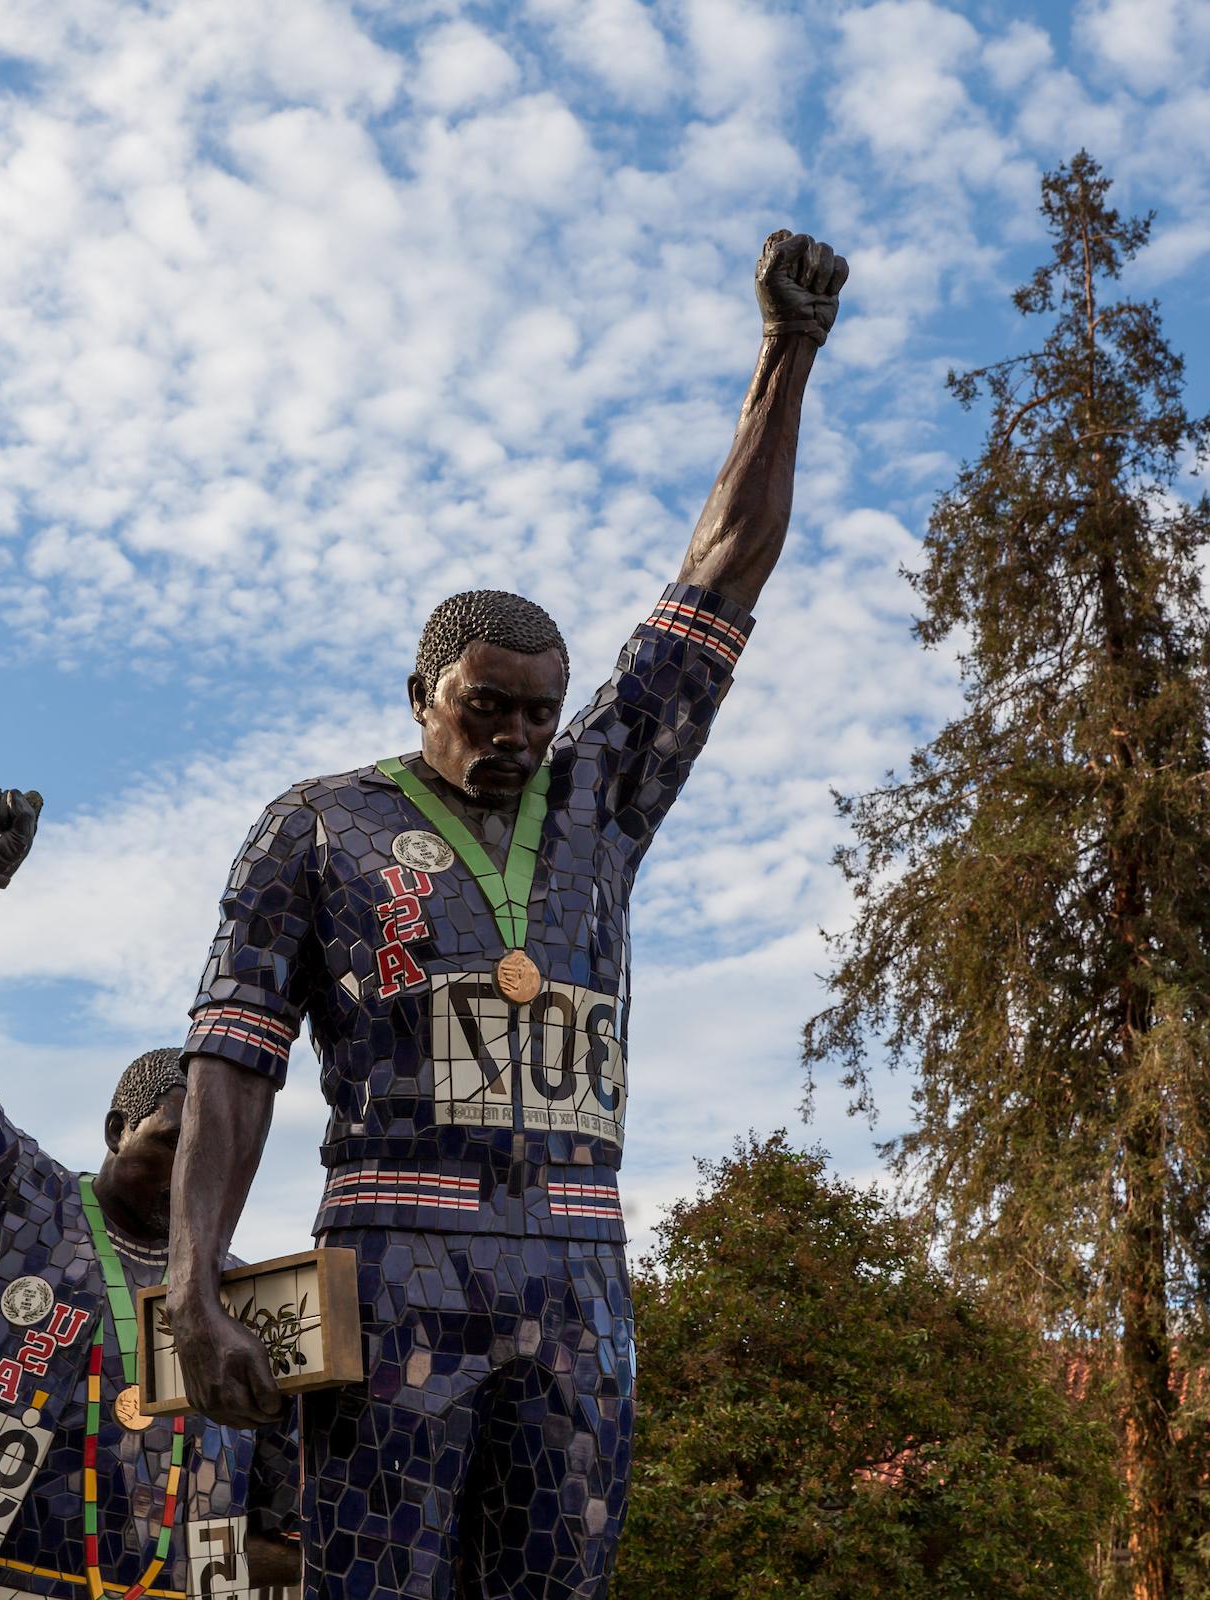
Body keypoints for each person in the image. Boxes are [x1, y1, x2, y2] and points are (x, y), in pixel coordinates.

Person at [166, 230, 848, 1599]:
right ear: (426, 693)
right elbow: (232, 1064)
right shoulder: (318, 825)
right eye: (490, 709)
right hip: (397, 1260)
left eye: (542, 710)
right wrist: (192, 1281)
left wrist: (788, 353)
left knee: (557, 1579)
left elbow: (725, 568)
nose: (521, 735)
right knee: (380, 1576)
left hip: (578, 1268)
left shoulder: (603, 797)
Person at [0, 786, 302, 1600]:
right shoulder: (24, 1205)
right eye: (172, 1144)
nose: (193, 1176)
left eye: (215, 1157)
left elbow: (278, 1527)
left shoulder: (249, 1303)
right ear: (117, 1130)